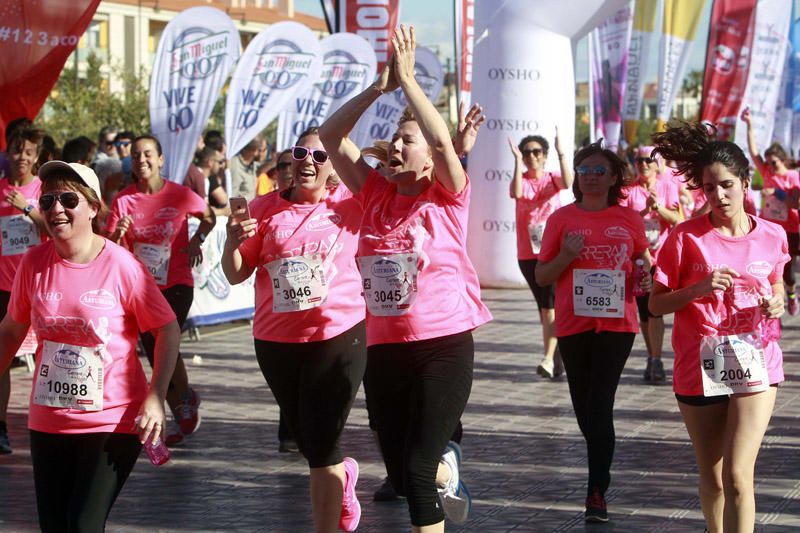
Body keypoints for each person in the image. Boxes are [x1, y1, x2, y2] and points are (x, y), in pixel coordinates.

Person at [320, 25, 492, 531]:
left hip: (443, 345)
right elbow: (331, 136)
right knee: (399, 469)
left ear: (429, 159)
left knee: (415, 473)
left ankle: (437, 469)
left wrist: (411, 82)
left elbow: (442, 142)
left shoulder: (447, 194)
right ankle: (446, 467)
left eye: (406, 140)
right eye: (394, 137)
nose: (396, 145)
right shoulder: (372, 192)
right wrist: (381, 87)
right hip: (386, 349)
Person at [0, 161, 179, 531]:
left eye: (68, 199)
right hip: (48, 419)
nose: (56, 209)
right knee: (55, 526)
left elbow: (167, 329)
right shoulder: (33, 264)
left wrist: (155, 395)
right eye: (47, 201)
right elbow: (9, 332)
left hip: (111, 420)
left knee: (82, 525)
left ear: (94, 207)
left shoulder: (122, 266)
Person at [222, 127, 366, 532]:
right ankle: (345, 479)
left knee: (322, 444)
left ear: (334, 169)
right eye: (302, 152)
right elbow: (236, 274)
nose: (308, 162)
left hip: (338, 334)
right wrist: (232, 242)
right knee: (309, 442)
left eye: (320, 157)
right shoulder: (262, 209)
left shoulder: (351, 205)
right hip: (276, 340)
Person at [649, 122, 788, 533]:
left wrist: (778, 301)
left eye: (726, 184)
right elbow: (656, 305)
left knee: (738, 475)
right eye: (709, 188)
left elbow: (777, 286)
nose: (719, 196)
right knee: (713, 476)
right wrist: (698, 288)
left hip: (757, 363)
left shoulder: (773, 235)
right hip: (700, 366)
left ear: (746, 182)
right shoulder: (684, 237)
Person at [535, 141, 651, 523]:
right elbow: (542, 275)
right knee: (585, 409)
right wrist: (567, 256)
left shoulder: (629, 217)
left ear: (615, 177)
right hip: (573, 324)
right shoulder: (561, 219)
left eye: (600, 171)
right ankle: (599, 467)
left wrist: (644, 273)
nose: (591, 177)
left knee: (600, 404)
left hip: (618, 325)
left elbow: (642, 259)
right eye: (585, 170)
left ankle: (596, 490)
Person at [105, 135, 215, 446]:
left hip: (177, 282)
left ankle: (181, 408)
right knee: (158, 352)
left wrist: (196, 240)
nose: (142, 160)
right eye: (136, 155)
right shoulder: (124, 200)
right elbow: (110, 248)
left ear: (161, 160)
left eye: (148, 154)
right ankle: (183, 402)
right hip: (141, 290)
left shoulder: (180, 195)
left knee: (164, 344)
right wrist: (118, 233)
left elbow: (207, 217)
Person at [507, 128, 573, 378]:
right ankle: (557, 358)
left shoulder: (553, 178)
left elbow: (568, 182)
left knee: (549, 307)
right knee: (544, 308)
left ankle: (547, 358)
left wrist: (561, 152)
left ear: (544, 155)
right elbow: (517, 193)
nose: (531, 156)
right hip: (527, 253)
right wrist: (515, 161)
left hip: (553, 252)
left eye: (536, 152)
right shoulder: (520, 179)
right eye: (526, 153)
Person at [0, 127, 48, 454]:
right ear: (8, 154)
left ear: (37, 156)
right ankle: (0, 426)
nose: (22, 157)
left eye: (28, 152)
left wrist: (27, 208)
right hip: (4, 287)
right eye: (17, 151)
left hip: (40, 284)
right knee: (2, 360)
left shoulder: (44, 189)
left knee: (48, 358)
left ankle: (50, 423)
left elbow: (55, 229)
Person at [620, 146, 682, 382]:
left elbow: (677, 219)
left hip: (662, 257)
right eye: (639, 160)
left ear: (658, 164)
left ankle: (656, 359)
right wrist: (645, 210)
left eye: (648, 160)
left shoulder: (668, 186)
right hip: (638, 261)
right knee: (645, 313)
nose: (643, 164)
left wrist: (659, 208)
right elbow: (625, 224)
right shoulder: (629, 191)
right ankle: (651, 355)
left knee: (656, 312)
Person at [741, 108, 800, 315]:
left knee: (789, 273)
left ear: (783, 160)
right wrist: (749, 124)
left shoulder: (793, 176)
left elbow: (796, 204)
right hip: (768, 229)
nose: (770, 167)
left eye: (774, 163)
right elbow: (753, 150)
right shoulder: (765, 171)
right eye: (767, 163)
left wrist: (777, 192)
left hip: (790, 229)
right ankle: (770, 307)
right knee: (767, 269)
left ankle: (792, 294)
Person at [229, 135, 263, 200]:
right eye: (259, 150)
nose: (261, 153)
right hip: (239, 208)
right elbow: (232, 194)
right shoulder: (235, 164)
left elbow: (262, 168)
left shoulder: (253, 165)